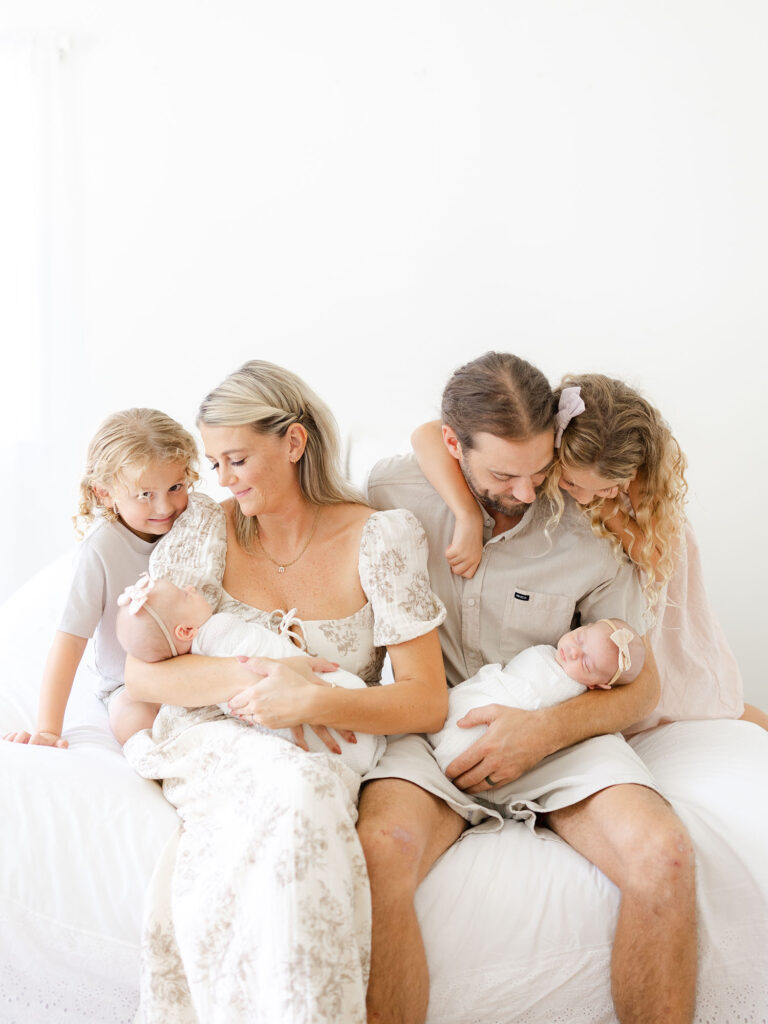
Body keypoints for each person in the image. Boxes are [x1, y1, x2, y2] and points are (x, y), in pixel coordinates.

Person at [361, 351, 697, 1024]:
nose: (525, 490)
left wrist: (541, 732)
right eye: (503, 475)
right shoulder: (394, 491)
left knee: (664, 855)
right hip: (431, 727)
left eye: (539, 471)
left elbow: (641, 688)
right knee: (379, 850)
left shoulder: (593, 522)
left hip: (557, 728)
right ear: (456, 448)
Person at [120, 360, 447, 1024]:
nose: (223, 479)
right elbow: (143, 675)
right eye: (214, 463)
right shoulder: (209, 531)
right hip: (215, 741)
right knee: (290, 785)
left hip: (319, 749)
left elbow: (424, 699)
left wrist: (314, 700)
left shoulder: (378, 538)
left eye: (236, 458)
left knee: (305, 788)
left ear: (294, 444)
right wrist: (260, 679)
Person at [412, 371, 768, 734]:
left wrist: (606, 506)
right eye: (569, 483)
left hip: (651, 584)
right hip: (611, 606)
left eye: (608, 488)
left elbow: (654, 557)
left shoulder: (625, 480)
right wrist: (467, 515)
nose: (580, 496)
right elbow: (426, 434)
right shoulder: (552, 436)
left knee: (692, 693)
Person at [1, 408, 199, 749]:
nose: (165, 506)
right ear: (105, 493)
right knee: (133, 720)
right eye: (145, 494)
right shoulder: (101, 549)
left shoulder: (193, 526)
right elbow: (70, 641)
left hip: (191, 669)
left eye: (175, 487)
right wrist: (48, 729)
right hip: (131, 684)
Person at [115, 571, 385, 775]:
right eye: (186, 595)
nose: (190, 587)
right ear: (185, 631)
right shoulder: (218, 630)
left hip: (343, 724)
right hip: (353, 710)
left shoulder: (193, 675)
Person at [429, 617, 645, 780]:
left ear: (597, 686)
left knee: (468, 736)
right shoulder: (553, 654)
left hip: (504, 717)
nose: (573, 652)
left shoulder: (567, 689)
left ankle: (449, 749)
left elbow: (527, 715)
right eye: (580, 639)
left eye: (587, 664)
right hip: (483, 689)